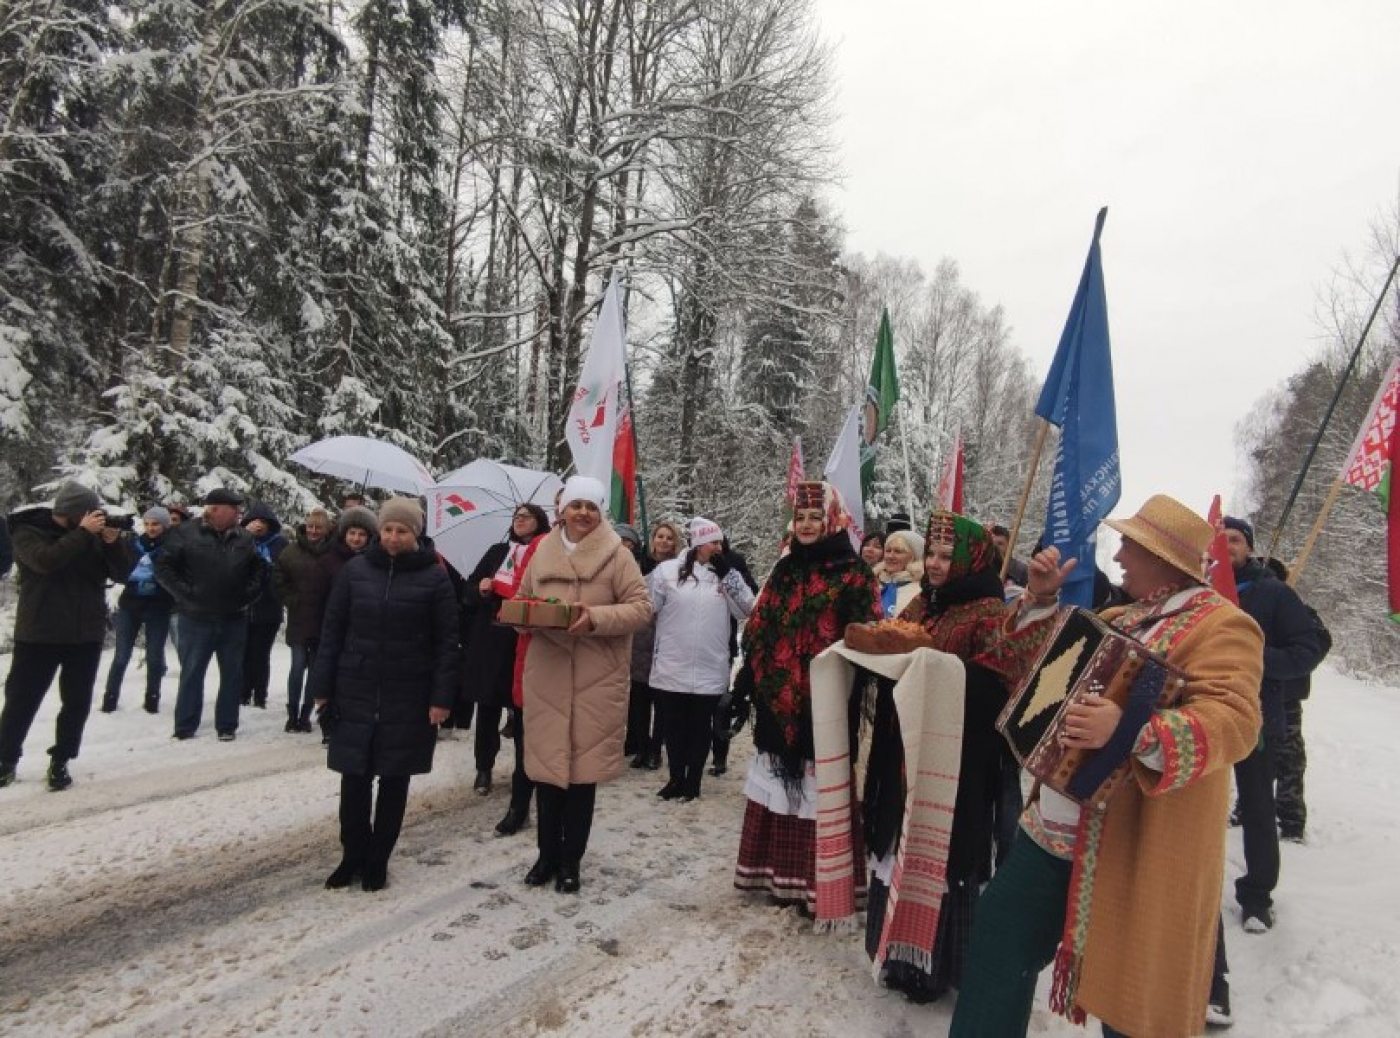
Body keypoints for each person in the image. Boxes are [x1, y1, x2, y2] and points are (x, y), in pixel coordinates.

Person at [950, 494, 1264, 1038]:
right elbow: (1039, 666)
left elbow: (1234, 720)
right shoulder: (1122, 616)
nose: (1117, 555)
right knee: (1000, 938)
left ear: (1162, 557)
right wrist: (1042, 601)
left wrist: (1130, 731)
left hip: (1132, 844)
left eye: (1129, 545)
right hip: (1051, 832)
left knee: (1132, 999)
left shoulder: (1224, 626)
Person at [860, 511, 1040, 1004]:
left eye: (946, 556)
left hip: (955, 759)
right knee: (900, 840)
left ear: (969, 560)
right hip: (903, 746)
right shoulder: (924, 603)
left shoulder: (989, 613)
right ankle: (896, 953)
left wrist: (939, 670)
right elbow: (893, 644)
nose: (936, 564)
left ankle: (931, 966)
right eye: (932, 555)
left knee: (936, 851)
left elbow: (1002, 685)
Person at [728, 481, 880, 911]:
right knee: (778, 786)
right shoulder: (784, 568)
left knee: (821, 789)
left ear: (833, 520)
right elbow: (758, 629)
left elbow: (867, 634)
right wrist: (745, 684)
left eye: (816, 517)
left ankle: (819, 884)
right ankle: (777, 876)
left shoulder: (853, 573)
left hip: (827, 701)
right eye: (801, 517)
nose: (808, 524)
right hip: (777, 700)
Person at [311, 497, 458, 892]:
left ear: (416, 534)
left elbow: (447, 642)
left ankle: (378, 859)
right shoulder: (356, 571)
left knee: (394, 781)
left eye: (402, 531)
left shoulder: (434, 577)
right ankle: (351, 856)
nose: (394, 537)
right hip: (354, 687)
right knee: (353, 780)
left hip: (409, 692)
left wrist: (441, 698)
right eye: (389, 529)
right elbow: (332, 631)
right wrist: (322, 687)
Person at [517, 475, 651, 894]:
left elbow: (641, 609)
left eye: (591, 507)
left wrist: (594, 617)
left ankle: (571, 861)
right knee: (547, 774)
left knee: (580, 779)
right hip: (549, 675)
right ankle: (545, 856)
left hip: (596, 678)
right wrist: (523, 614)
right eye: (576, 505)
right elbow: (523, 599)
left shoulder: (618, 556)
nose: (582, 514)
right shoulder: (541, 551)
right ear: (562, 510)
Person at [1221, 517, 1324, 935]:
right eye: (1220, 538)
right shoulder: (1197, 589)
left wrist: (1258, 661)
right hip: (1199, 712)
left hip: (1256, 715)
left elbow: (1307, 649)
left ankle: (1257, 897)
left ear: (1248, 547)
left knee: (1259, 806)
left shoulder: (1273, 592)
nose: (1227, 545)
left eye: (1235, 539)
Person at [0, 483, 135, 790]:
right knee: (22, 700)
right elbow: (46, 561)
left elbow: (123, 574)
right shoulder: (27, 532)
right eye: (90, 513)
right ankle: (5, 759)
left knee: (76, 703)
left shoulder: (92, 536)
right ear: (75, 513)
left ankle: (61, 759)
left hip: (84, 634)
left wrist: (113, 544)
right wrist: (83, 533)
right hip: (39, 634)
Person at [649, 517, 755, 802]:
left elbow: (748, 609)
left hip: (710, 665)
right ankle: (675, 779)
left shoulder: (726, 574)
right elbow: (648, 607)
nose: (719, 547)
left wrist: (729, 576)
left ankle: (693, 782)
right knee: (673, 728)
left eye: (721, 541)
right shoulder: (667, 571)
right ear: (697, 543)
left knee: (700, 728)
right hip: (672, 664)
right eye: (714, 542)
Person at [155, 488, 266, 741]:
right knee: (192, 671)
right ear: (214, 509)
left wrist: (248, 595)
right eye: (234, 509)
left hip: (234, 617)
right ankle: (185, 725)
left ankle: (227, 725)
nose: (239, 514)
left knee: (232, 673)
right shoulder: (185, 533)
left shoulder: (244, 538)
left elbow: (259, 569)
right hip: (196, 617)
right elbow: (163, 567)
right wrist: (187, 594)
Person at [460, 503, 550, 798]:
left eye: (526, 517)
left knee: (524, 711)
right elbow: (468, 591)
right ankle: (483, 767)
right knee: (487, 708)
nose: (520, 521)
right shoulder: (498, 552)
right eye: (516, 517)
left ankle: (523, 771)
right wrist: (481, 588)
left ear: (539, 522)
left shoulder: (545, 553)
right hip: (490, 640)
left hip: (523, 640)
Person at [1261, 556, 1331, 843]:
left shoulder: (1301, 611)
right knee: (1254, 757)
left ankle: (1291, 821)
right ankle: (1248, 808)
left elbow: (1319, 643)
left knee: (1289, 759)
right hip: (1254, 695)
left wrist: (1282, 657)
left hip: (1286, 699)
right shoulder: (1252, 608)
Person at [101, 506, 176, 714]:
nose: (151, 528)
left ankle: (152, 698)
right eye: (148, 524)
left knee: (154, 655)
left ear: (165, 525)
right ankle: (110, 697)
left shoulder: (172, 545)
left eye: (156, 524)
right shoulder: (134, 544)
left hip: (158, 606)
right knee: (121, 655)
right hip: (131, 603)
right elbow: (122, 569)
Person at [272, 508, 336, 733]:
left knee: (315, 670)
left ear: (327, 529)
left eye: (319, 527)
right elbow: (278, 578)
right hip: (299, 618)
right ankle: (291, 713)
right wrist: (291, 599)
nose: (314, 531)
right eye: (310, 527)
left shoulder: (333, 553)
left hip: (322, 620)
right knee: (297, 666)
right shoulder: (291, 551)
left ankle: (306, 714)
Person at [625, 520, 683, 770]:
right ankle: (640, 745)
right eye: (660, 536)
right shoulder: (639, 565)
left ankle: (655, 749)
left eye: (669, 538)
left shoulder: (680, 568)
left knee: (661, 700)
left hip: (666, 636)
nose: (663, 541)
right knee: (639, 699)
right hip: (641, 636)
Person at [240, 502, 287, 709]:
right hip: (244, 606)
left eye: (262, 522)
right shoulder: (241, 541)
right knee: (243, 652)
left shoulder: (279, 544)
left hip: (269, 606)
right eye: (254, 521)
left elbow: (284, 572)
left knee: (260, 653)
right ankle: (242, 692)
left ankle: (260, 694)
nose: (258, 525)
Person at [873, 528, 924, 618]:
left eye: (898, 551)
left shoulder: (920, 591)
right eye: (888, 551)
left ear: (913, 557)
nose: (891, 556)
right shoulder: (871, 583)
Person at [989, 523, 1030, 589]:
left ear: (1009, 546)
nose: (995, 547)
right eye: (991, 543)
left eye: (1000, 544)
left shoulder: (1021, 570)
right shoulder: (980, 568)